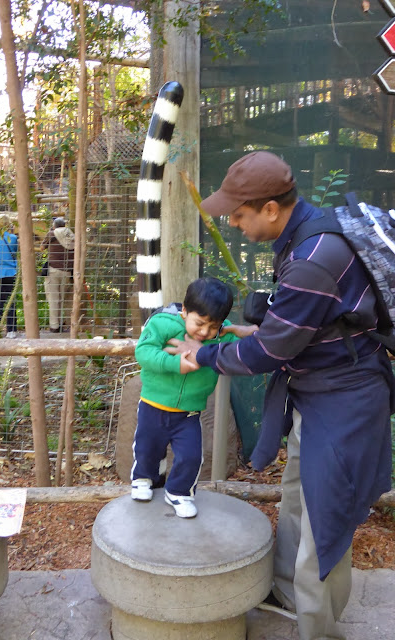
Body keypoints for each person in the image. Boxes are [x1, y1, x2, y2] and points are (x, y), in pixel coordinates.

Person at [165, 151, 394, 639]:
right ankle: (288, 594)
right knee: (295, 497)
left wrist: (201, 354)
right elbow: (305, 326)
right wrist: (246, 332)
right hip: (315, 393)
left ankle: (319, 629)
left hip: (344, 403)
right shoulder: (306, 236)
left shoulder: (313, 258)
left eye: (239, 213)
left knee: (322, 527)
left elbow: (268, 353)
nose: (232, 222)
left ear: (271, 208)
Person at [131, 277, 257, 518]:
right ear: (185, 311)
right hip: (152, 405)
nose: (205, 332)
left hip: (189, 412)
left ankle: (179, 492)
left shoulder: (221, 334)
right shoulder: (163, 324)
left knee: (191, 456)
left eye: (213, 326)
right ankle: (142, 479)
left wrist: (244, 332)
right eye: (199, 323)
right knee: (148, 448)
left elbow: (244, 347)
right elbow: (143, 352)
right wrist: (174, 364)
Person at [40, 217, 75, 333]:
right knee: (62, 298)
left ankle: (55, 326)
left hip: (53, 270)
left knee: (53, 299)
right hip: (67, 271)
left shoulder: (51, 234)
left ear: (54, 226)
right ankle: (62, 323)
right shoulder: (71, 236)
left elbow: (41, 248)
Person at [0, 214, 18, 338]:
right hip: (11, 273)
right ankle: (11, 330)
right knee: (11, 302)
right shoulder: (13, 238)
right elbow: (14, 253)